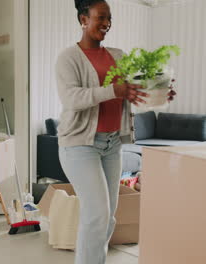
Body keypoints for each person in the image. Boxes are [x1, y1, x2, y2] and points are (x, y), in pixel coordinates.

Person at [56, 1, 176, 263]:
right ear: (83, 19)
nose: (107, 23)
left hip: (112, 144)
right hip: (79, 145)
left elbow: (134, 94)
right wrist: (114, 90)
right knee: (96, 214)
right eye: (101, 17)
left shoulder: (118, 55)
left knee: (107, 216)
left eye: (109, 18)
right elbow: (72, 98)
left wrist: (160, 91)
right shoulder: (69, 57)